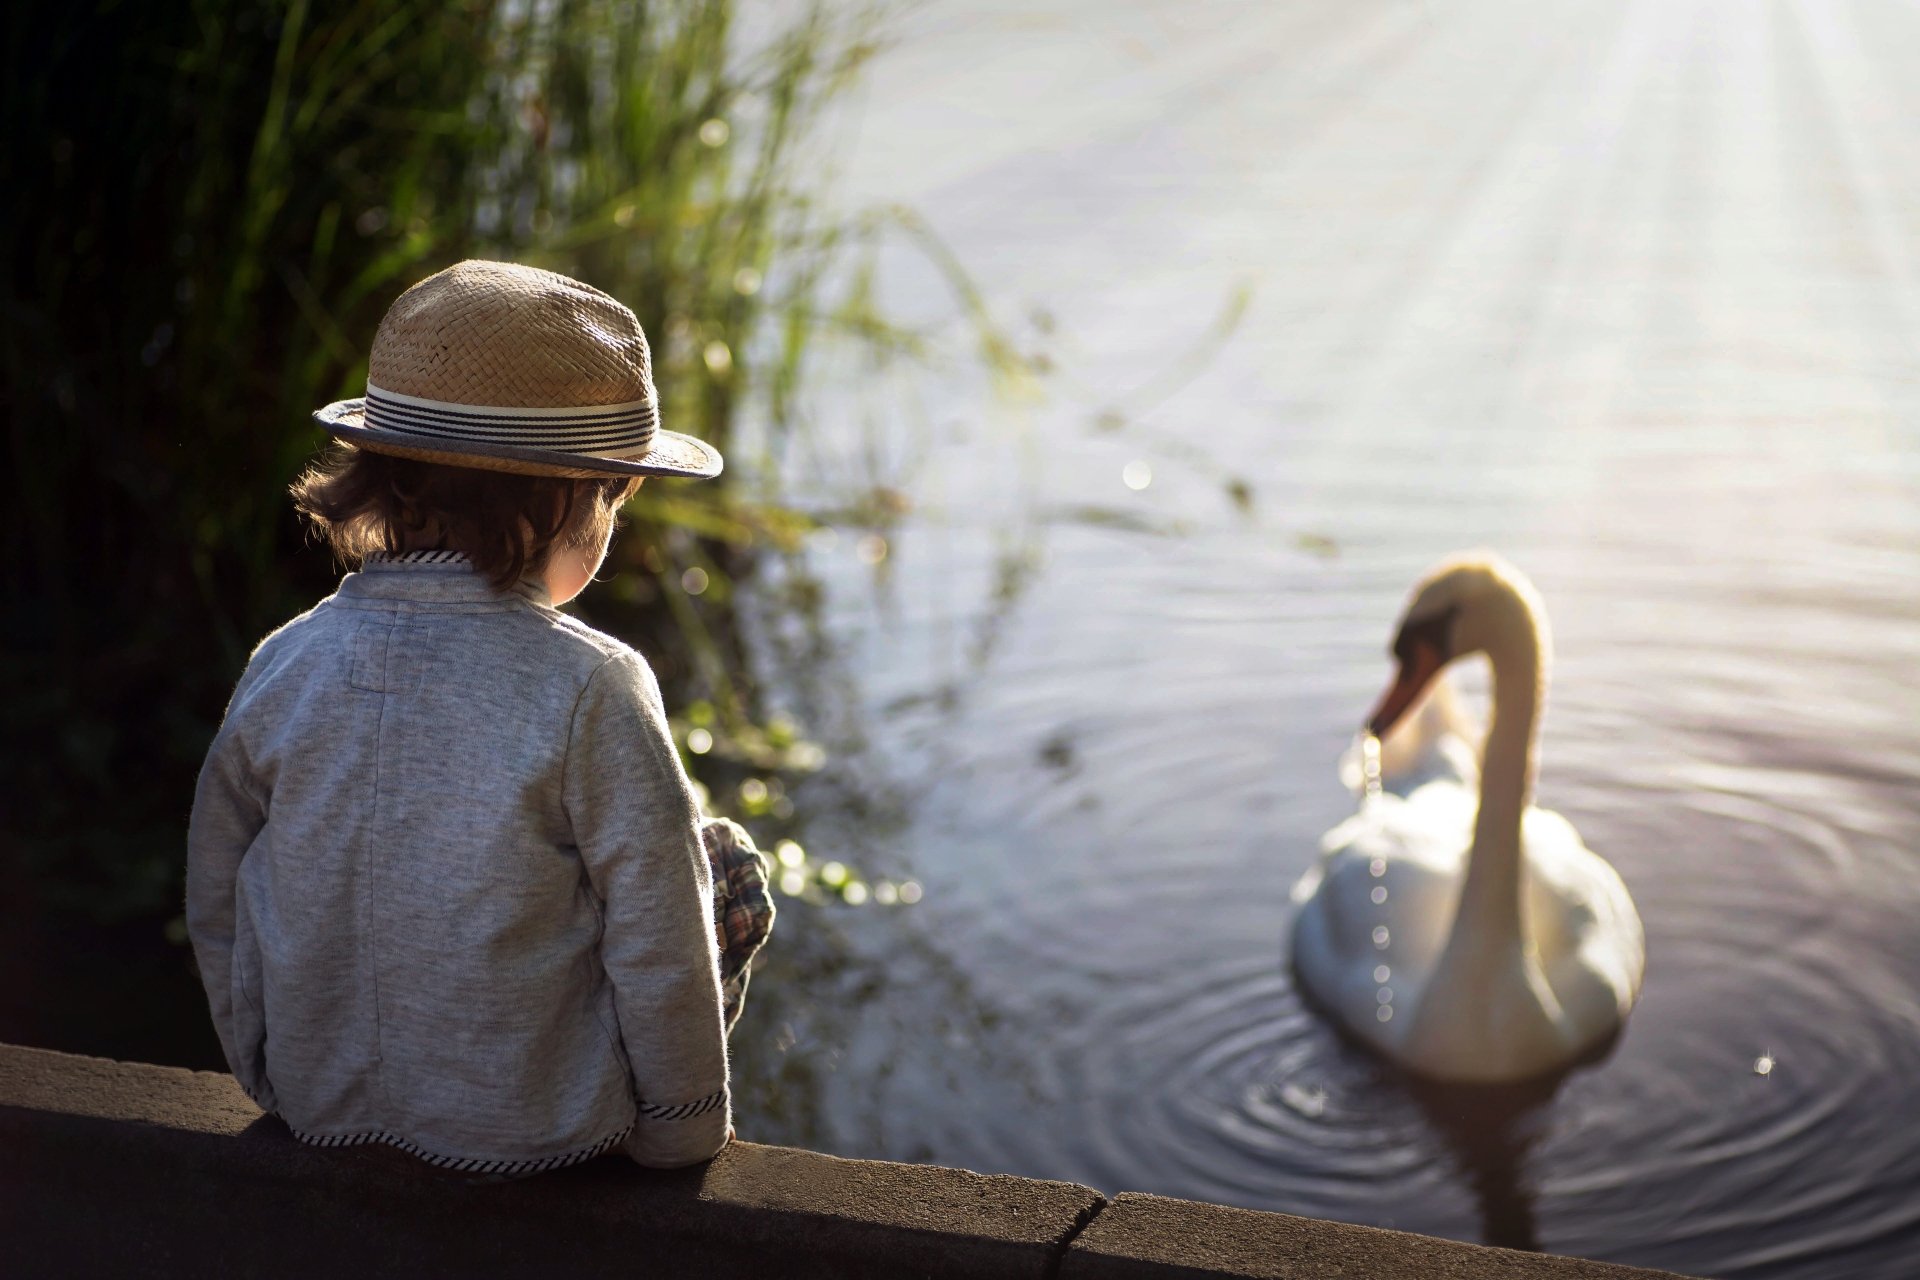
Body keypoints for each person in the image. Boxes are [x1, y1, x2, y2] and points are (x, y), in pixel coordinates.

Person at [186, 260, 772, 1176]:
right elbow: (661, 941)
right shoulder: (595, 684)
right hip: (539, 1130)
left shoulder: (285, 658)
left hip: (313, 1096)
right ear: (564, 504)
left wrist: (265, 1069)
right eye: (615, 498)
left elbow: (219, 888)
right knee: (724, 864)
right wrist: (682, 1129)